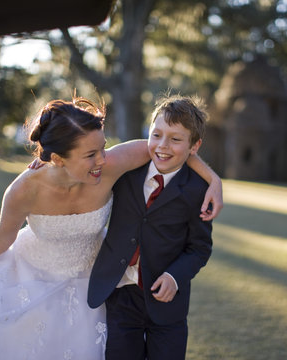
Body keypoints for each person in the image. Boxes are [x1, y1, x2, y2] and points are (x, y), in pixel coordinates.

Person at [0, 97, 222, 360]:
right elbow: (4, 234)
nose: (102, 159)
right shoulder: (23, 191)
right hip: (32, 277)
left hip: (92, 281)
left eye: (102, 148)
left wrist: (213, 181)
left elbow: (168, 148)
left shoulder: (113, 164)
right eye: (90, 154)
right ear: (57, 158)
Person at [87, 94, 214, 360]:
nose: (163, 146)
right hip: (120, 292)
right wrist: (51, 161)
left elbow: (199, 248)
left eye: (176, 139)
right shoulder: (127, 172)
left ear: (195, 146)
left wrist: (174, 277)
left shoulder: (197, 190)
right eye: (156, 135)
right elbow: (85, 165)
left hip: (167, 303)